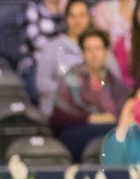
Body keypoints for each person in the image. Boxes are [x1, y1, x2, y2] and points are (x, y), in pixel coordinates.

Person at [33, 0, 117, 115]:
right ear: (67, 19)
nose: (77, 21)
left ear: (89, 18)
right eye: (72, 16)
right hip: (62, 111)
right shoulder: (53, 47)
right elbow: (42, 83)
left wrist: (97, 89)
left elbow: (114, 81)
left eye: (82, 15)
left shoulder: (100, 46)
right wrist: (72, 91)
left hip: (98, 110)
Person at [51, 30, 122, 160]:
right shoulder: (71, 78)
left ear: (106, 53)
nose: (94, 54)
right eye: (88, 50)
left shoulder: (113, 81)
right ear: (83, 54)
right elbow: (57, 118)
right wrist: (90, 119)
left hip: (110, 129)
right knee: (115, 132)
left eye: (98, 49)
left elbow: (122, 109)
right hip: (76, 132)